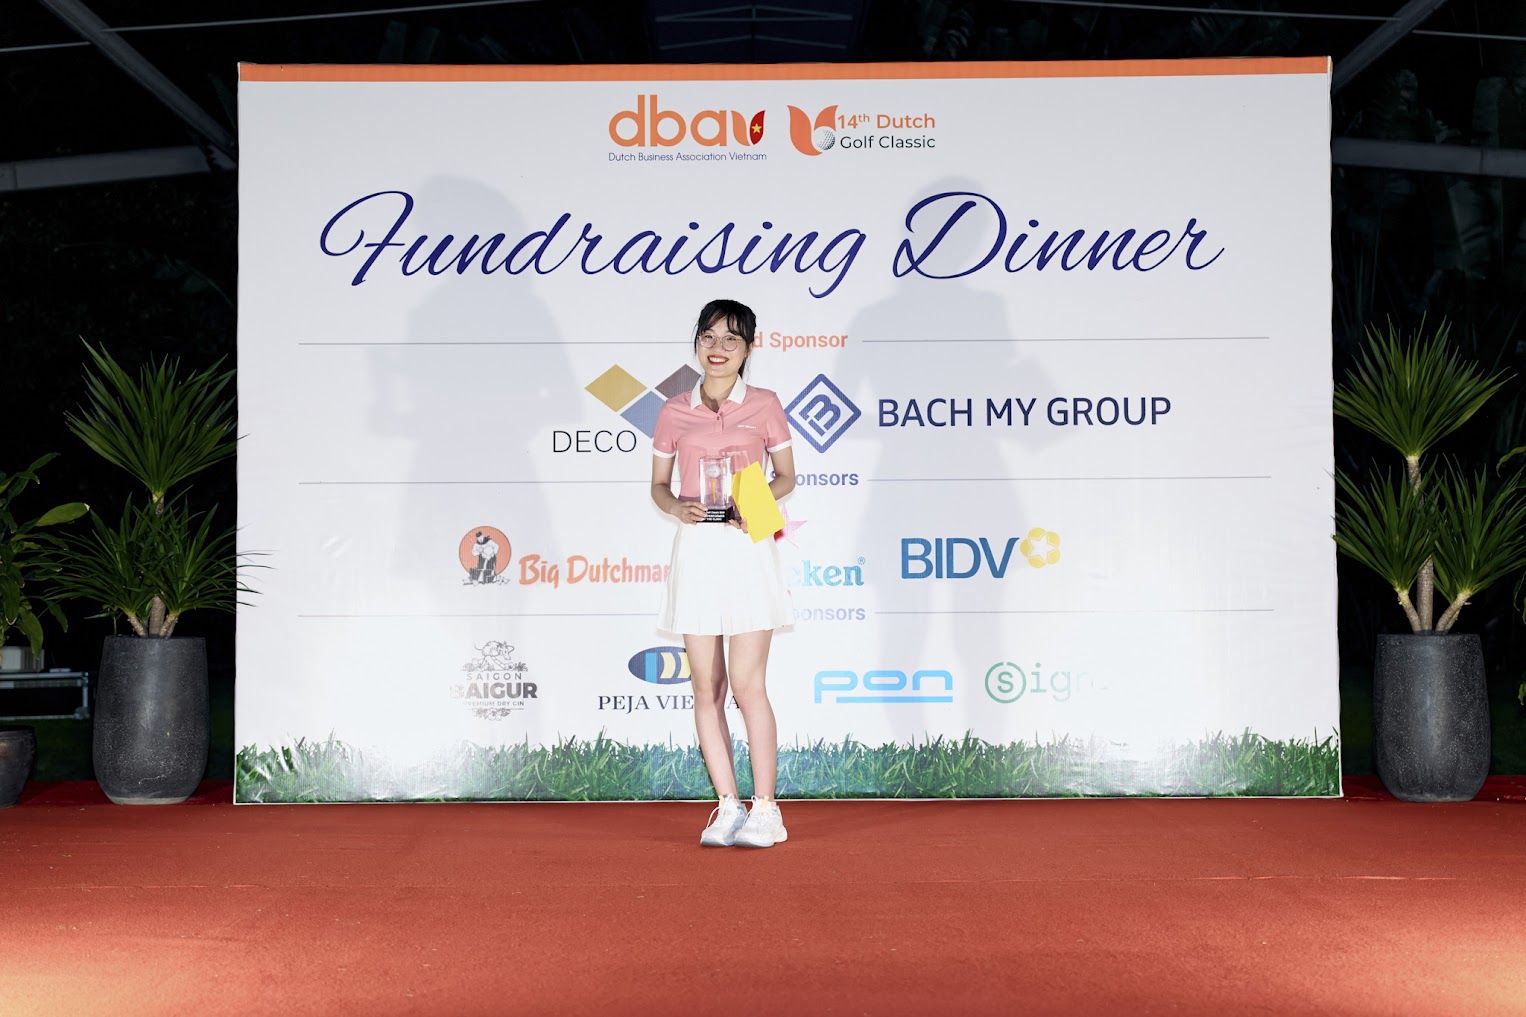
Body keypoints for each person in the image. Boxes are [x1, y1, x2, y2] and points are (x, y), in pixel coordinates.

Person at [650, 298, 796, 848]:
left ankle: (767, 809)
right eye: (709, 337)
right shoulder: (673, 410)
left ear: (749, 348)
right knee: (705, 686)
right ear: (697, 342)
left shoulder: (765, 404)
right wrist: (676, 506)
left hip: (747, 546)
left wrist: (752, 505)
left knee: (748, 684)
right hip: (697, 549)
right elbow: (658, 486)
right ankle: (728, 805)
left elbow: (785, 476)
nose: (718, 349)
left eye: (731, 339)